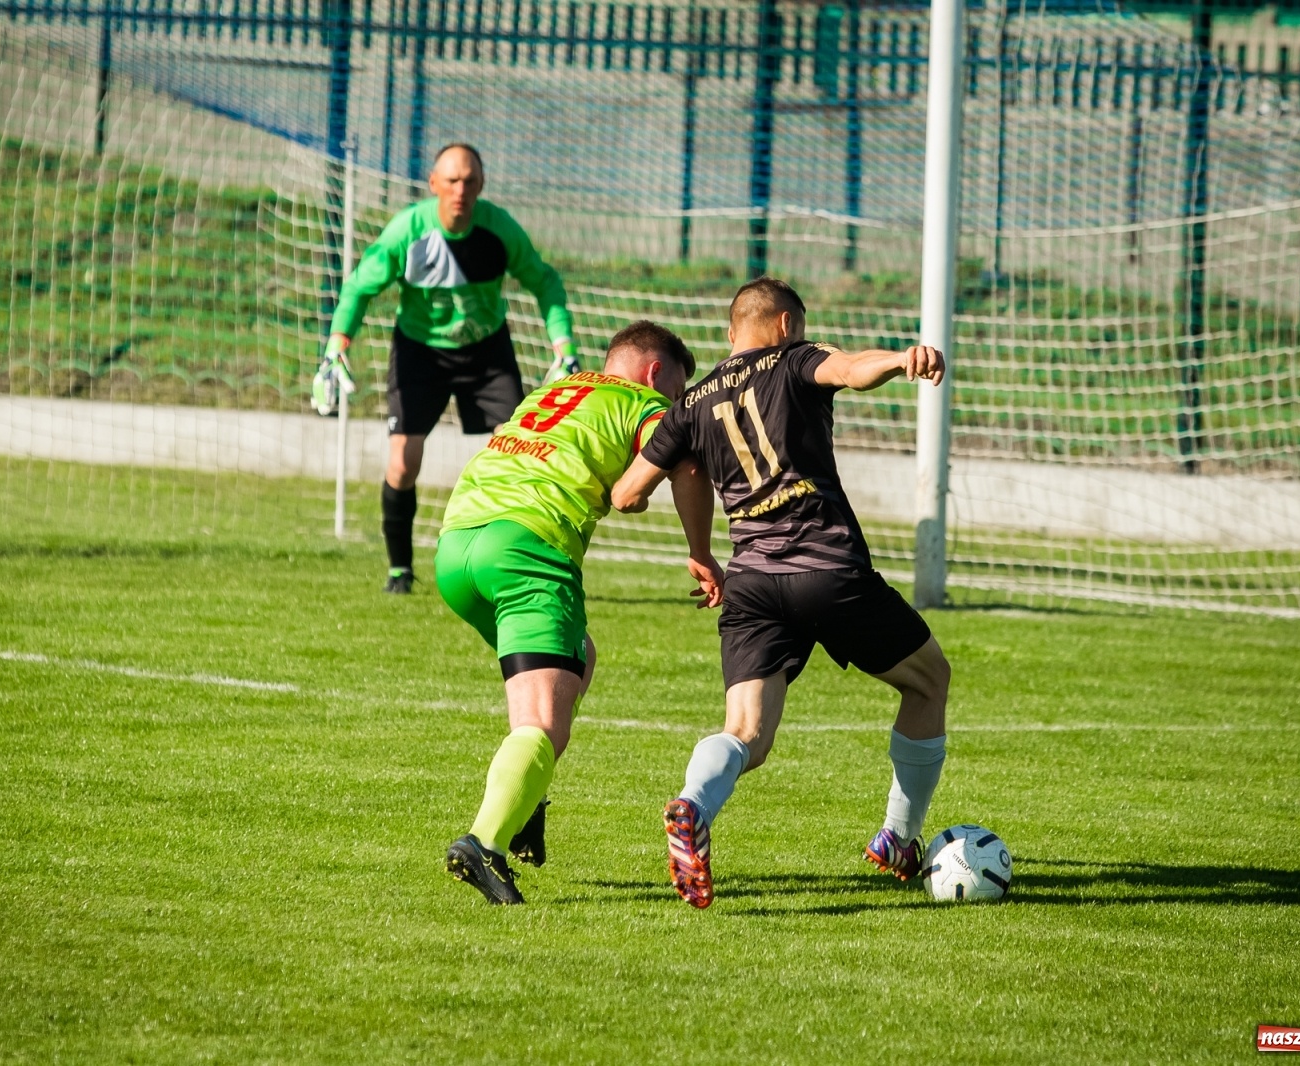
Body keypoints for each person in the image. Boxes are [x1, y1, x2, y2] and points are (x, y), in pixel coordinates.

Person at [611, 276, 950, 909]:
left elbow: (627, 494)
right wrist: (902, 360)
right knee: (930, 680)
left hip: (752, 585)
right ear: (787, 326)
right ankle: (899, 839)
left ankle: (693, 806)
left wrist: (698, 545)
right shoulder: (794, 359)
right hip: (828, 570)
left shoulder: (691, 403)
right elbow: (851, 369)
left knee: (746, 734)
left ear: (730, 332)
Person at [435, 321, 706, 905]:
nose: (676, 403)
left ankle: (527, 800)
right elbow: (683, 462)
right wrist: (701, 552)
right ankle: (484, 843)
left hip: (456, 547)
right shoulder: (644, 403)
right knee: (541, 723)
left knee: (579, 654)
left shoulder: (555, 389)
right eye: (677, 390)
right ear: (655, 373)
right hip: (527, 550)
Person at [315, 143, 578, 594]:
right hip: (420, 352)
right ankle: (400, 570)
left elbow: (545, 281)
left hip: (486, 351)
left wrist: (563, 346)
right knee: (403, 463)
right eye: (452, 180)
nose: (461, 190)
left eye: (470, 181)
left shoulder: (499, 230)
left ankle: (513, 564)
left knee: (519, 455)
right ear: (434, 183)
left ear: (481, 185)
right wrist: (336, 347)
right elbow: (359, 287)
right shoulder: (408, 231)